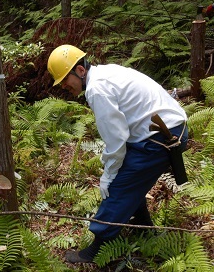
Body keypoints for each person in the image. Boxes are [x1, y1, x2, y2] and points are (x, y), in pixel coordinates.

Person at [47, 45, 188, 263]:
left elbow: (116, 140)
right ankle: (143, 228)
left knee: (118, 187)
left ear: (80, 71)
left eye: (65, 79)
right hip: (164, 129)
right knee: (128, 179)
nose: (64, 86)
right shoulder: (104, 73)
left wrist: (108, 174)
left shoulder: (97, 89)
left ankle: (98, 248)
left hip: (161, 136)